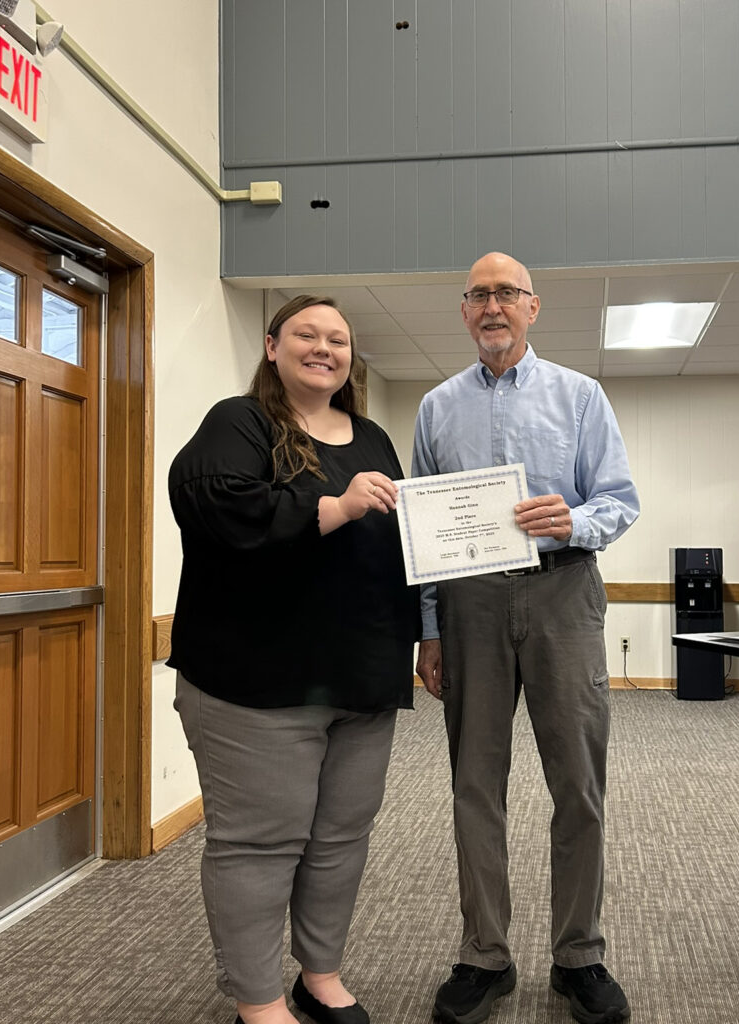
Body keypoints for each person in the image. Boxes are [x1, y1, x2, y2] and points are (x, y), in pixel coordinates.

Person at [168, 296, 420, 1024]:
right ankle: (258, 1000)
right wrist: (332, 508)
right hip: (257, 681)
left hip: (362, 677)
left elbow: (401, 544)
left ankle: (321, 974)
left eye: (338, 339)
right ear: (273, 345)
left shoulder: (372, 436)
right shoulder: (238, 422)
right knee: (259, 844)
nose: (325, 348)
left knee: (341, 838)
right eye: (307, 334)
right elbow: (216, 506)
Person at [413, 253, 640, 1024]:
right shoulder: (436, 408)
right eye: (478, 294)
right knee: (475, 784)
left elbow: (621, 499)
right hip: (469, 604)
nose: (492, 306)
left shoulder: (581, 396)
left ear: (533, 308)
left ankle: (580, 955)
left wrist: (573, 520)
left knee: (576, 782)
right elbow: (422, 535)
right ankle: (486, 954)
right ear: (465, 311)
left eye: (506, 293)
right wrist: (430, 631)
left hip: (563, 591)